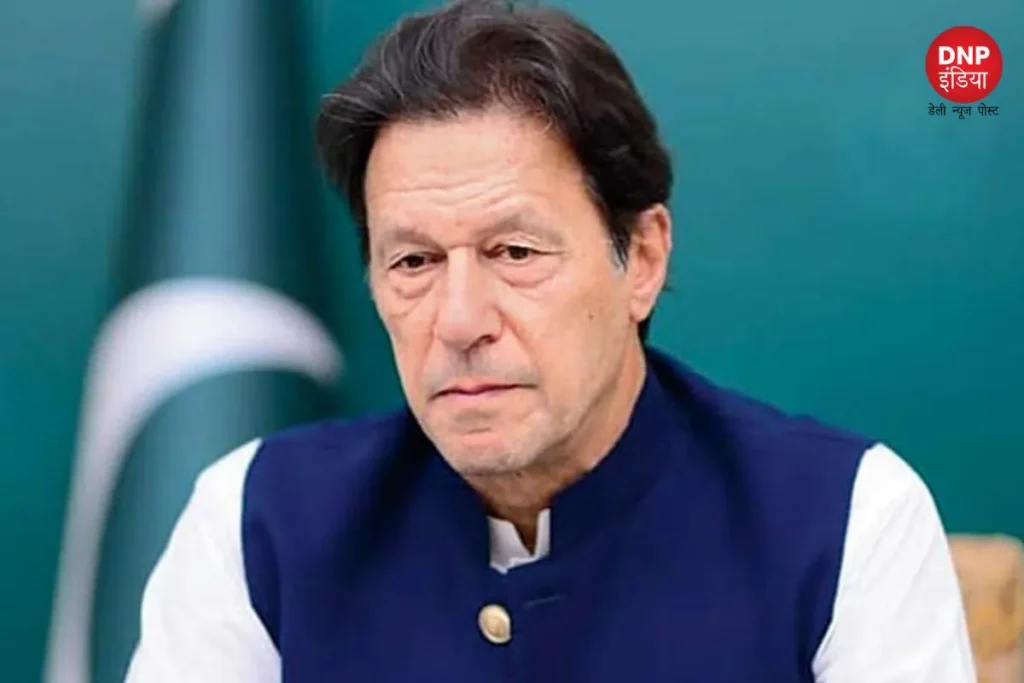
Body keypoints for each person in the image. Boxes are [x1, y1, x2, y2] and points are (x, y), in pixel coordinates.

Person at [125, 1, 977, 681]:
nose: (460, 320)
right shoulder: (254, 520)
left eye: (515, 252)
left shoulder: (847, 519)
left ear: (642, 256)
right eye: (415, 261)